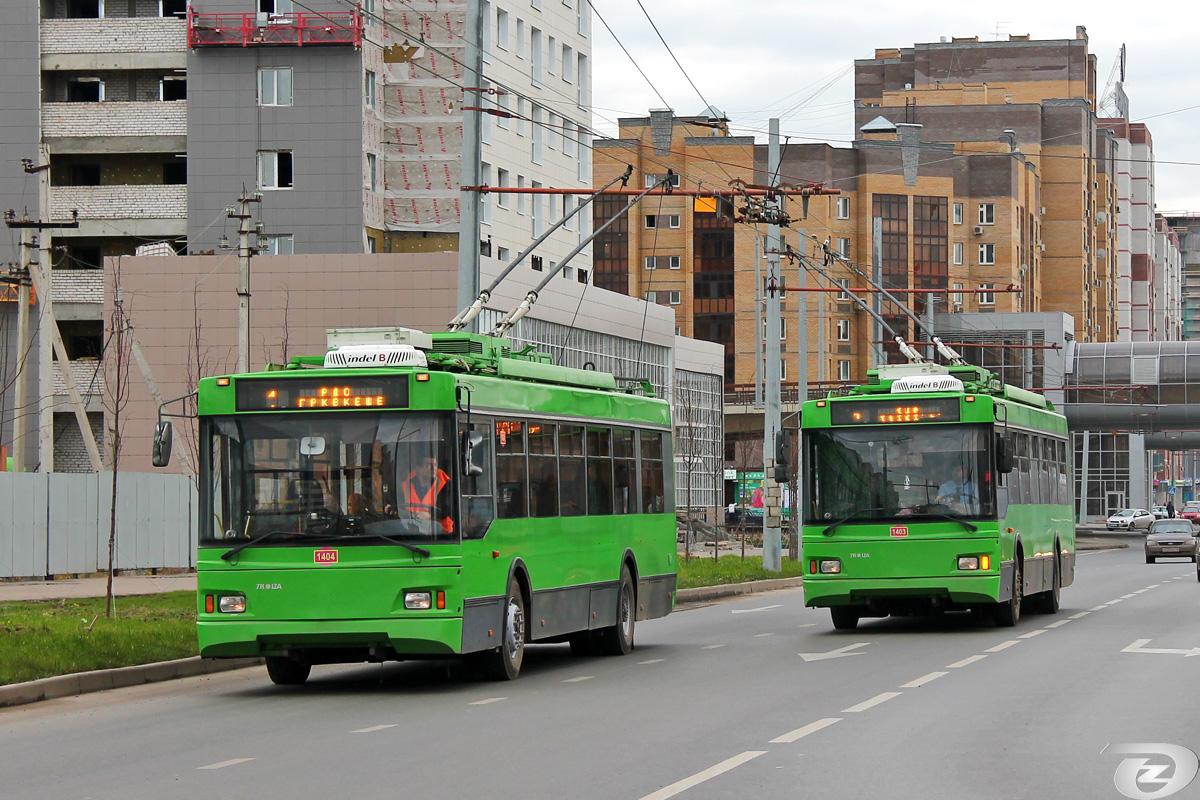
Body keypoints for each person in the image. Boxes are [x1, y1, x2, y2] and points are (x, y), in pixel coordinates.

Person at [401, 454, 454, 534]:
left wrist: (430, 514)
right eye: (428, 465)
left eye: (435, 465)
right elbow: (399, 505)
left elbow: (450, 509)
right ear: (418, 469)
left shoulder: (446, 486)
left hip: (441, 535)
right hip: (411, 533)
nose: (433, 468)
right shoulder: (406, 486)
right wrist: (392, 509)